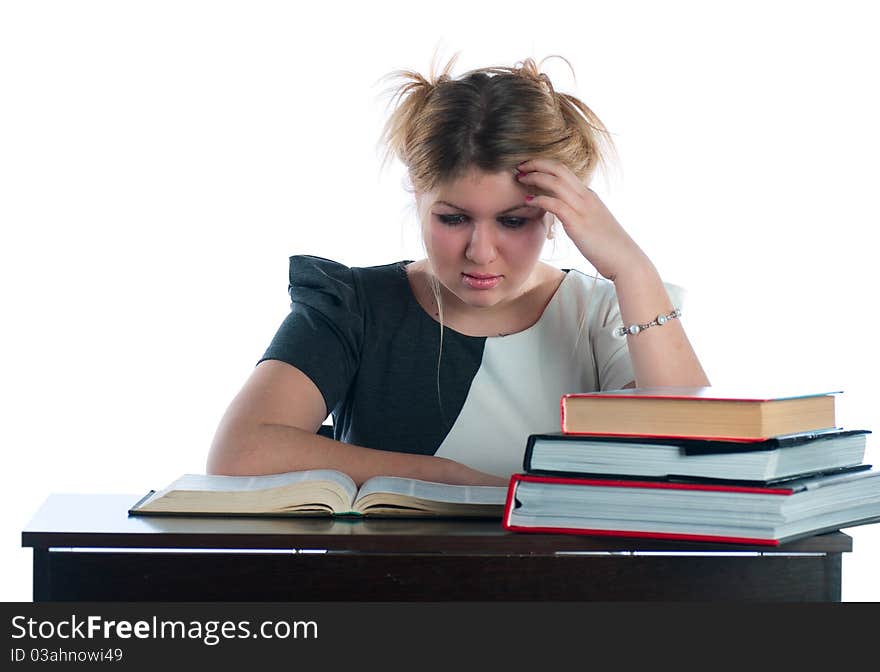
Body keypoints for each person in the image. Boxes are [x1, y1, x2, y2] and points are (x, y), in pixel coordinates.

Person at [206, 52, 710, 488]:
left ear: (561, 210)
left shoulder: (606, 313)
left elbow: (703, 463)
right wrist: (448, 476)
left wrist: (633, 270)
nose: (481, 252)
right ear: (416, 191)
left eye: (513, 220)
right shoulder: (354, 304)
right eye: (453, 218)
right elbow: (239, 452)